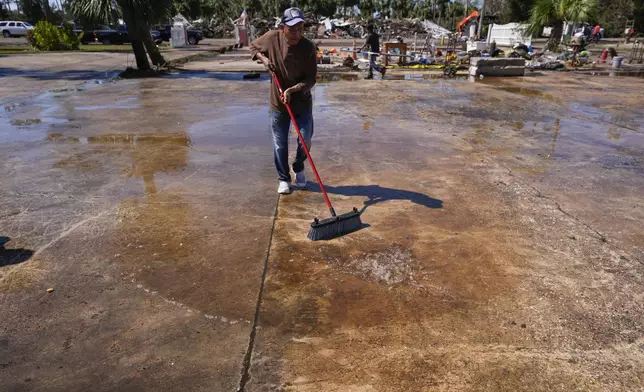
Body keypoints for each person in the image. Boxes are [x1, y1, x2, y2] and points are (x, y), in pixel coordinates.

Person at [249, 7, 317, 195]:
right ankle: (284, 178)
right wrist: (263, 58)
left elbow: (311, 79)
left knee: (306, 140)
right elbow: (253, 47)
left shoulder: (308, 47)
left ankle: (298, 166)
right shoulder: (272, 38)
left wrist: (292, 90)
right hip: (278, 104)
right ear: (283, 27)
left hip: (302, 102)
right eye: (292, 29)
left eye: (300, 29)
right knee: (280, 144)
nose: (297, 34)